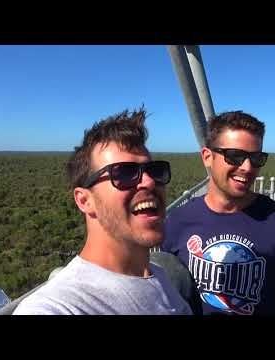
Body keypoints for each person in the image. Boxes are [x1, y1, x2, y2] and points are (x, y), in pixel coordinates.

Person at [14, 107, 193, 315]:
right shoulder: (59, 306)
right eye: (125, 173)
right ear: (85, 201)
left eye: (155, 170)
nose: (150, 181)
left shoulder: (159, 276)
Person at [161, 111, 275, 315]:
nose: (247, 167)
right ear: (207, 157)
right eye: (235, 156)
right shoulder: (177, 222)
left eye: (256, 158)